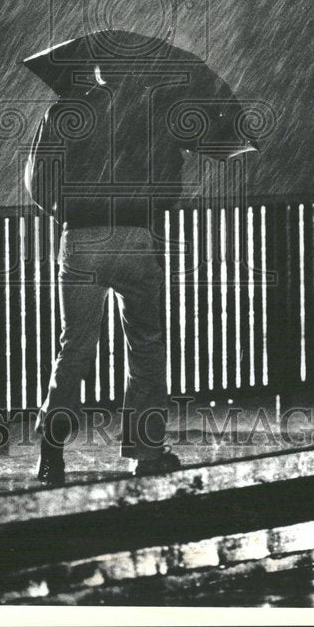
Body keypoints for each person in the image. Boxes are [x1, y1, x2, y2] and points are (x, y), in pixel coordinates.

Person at [25, 62, 184, 486]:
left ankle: (52, 452)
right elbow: (171, 186)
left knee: (75, 344)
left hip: (82, 237)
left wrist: (68, 210)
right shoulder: (152, 114)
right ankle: (147, 451)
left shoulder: (65, 111)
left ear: (97, 72)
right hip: (135, 237)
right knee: (146, 344)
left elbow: (39, 183)